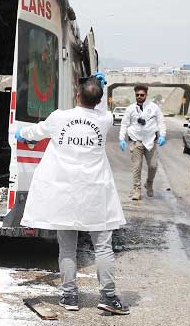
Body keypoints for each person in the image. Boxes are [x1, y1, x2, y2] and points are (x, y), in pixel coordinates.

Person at [15, 73, 129, 315]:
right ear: (98, 101)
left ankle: (69, 296)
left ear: (77, 95)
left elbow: (35, 132)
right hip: (96, 193)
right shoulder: (104, 120)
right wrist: (101, 89)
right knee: (103, 247)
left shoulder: (59, 118)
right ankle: (108, 296)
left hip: (64, 194)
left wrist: (21, 134)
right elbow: (101, 107)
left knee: (67, 247)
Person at [118, 85, 167, 200]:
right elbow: (124, 124)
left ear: (146, 95)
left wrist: (163, 135)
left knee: (153, 165)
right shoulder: (130, 108)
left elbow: (161, 122)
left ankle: (149, 183)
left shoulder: (154, 107)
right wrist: (121, 138)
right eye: (137, 95)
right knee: (137, 166)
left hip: (150, 141)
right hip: (136, 141)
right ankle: (137, 189)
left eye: (142, 95)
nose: (139, 97)